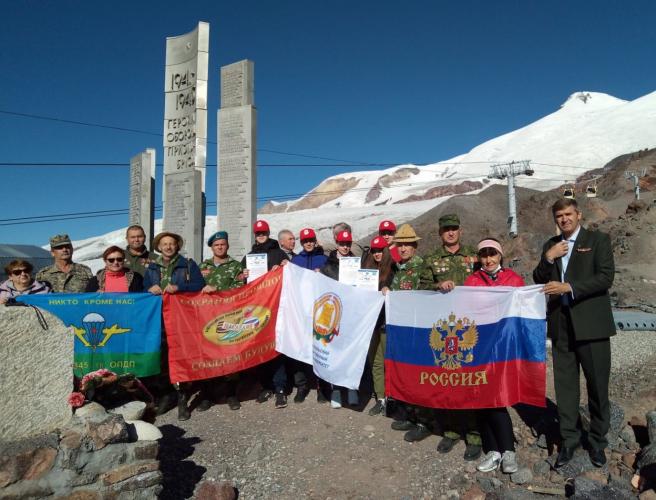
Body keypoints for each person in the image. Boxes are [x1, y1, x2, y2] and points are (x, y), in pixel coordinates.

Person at [533, 198, 615, 468]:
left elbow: (605, 277)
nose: (564, 219)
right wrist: (549, 257)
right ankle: (569, 440)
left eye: (568, 214)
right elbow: (538, 278)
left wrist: (569, 287)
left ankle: (597, 441)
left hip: (591, 324)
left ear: (578, 214)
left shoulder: (598, 239)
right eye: (559, 215)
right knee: (566, 387)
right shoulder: (551, 245)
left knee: (597, 386)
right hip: (561, 324)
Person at [419, 214, 482, 461]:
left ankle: (474, 435)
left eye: (454, 228)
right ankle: (452, 431)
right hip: (444, 330)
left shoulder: (474, 256)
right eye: (446, 229)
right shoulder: (432, 259)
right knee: (447, 380)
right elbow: (422, 287)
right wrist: (437, 285)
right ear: (440, 233)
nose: (451, 233)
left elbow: (488, 281)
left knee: (470, 381)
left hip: (471, 327)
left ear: (461, 230)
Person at [464, 238, 524, 473]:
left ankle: (508, 451)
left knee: (498, 398)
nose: (488, 260)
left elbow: (523, 311)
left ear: (500, 256)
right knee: (480, 398)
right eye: (484, 256)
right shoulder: (472, 281)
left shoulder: (514, 280)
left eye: (493, 255)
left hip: (503, 349)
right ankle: (492, 450)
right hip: (478, 347)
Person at [143, 231, 205, 421]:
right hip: (159, 319)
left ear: (177, 246)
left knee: (182, 356)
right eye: (164, 244)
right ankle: (166, 395)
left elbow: (199, 284)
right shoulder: (152, 268)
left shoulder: (187, 264)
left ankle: (183, 399)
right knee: (162, 358)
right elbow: (143, 291)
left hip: (181, 319)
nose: (168, 247)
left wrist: (180, 288)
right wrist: (148, 289)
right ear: (159, 247)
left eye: (172, 243)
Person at [381, 225, 435, 441]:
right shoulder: (397, 267)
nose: (403, 248)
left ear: (415, 246)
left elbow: (429, 294)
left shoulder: (422, 267)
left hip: (418, 330)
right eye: (400, 244)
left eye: (407, 244)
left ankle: (426, 421)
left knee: (421, 375)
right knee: (407, 374)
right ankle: (411, 415)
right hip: (402, 330)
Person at [242, 220, 290, 409]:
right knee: (260, 348)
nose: (261, 235)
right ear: (255, 235)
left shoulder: (278, 253)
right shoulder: (250, 256)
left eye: (264, 232)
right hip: (256, 309)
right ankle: (266, 386)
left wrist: (285, 266)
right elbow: (241, 281)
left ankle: (280, 388)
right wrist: (243, 275)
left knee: (276, 347)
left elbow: (290, 273)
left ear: (269, 233)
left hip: (276, 307)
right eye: (258, 233)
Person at [197, 231, 245, 411]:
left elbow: (240, 288)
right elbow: (194, 287)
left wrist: (218, 289)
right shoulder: (203, 266)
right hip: (206, 317)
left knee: (230, 354)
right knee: (208, 355)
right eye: (216, 245)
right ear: (211, 247)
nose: (220, 247)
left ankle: (231, 394)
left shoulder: (235, 266)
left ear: (227, 246)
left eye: (223, 244)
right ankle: (207, 395)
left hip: (228, 316)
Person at [320, 229, 360, 408]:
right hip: (335, 313)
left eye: (347, 244)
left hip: (352, 312)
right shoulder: (327, 265)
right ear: (336, 244)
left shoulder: (357, 263)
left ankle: (351, 387)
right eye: (342, 244)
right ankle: (335, 388)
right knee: (334, 351)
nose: (345, 247)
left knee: (350, 351)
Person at [290, 228, 328, 403]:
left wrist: (324, 274)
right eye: (306, 241)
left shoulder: (324, 260)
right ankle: (302, 386)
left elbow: (333, 281)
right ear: (302, 243)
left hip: (320, 312)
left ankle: (322, 387)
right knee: (300, 350)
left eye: (311, 240)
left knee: (320, 349)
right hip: (301, 311)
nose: (309, 243)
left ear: (315, 240)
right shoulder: (296, 260)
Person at [362, 236, 395, 416]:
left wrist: (389, 291)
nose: (377, 254)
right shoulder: (366, 271)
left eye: (380, 250)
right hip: (371, 323)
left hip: (386, 322)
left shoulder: (393, 269)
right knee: (374, 361)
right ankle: (380, 397)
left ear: (386, 251)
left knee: (388, 362)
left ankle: (391, 397)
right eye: (374, 251)